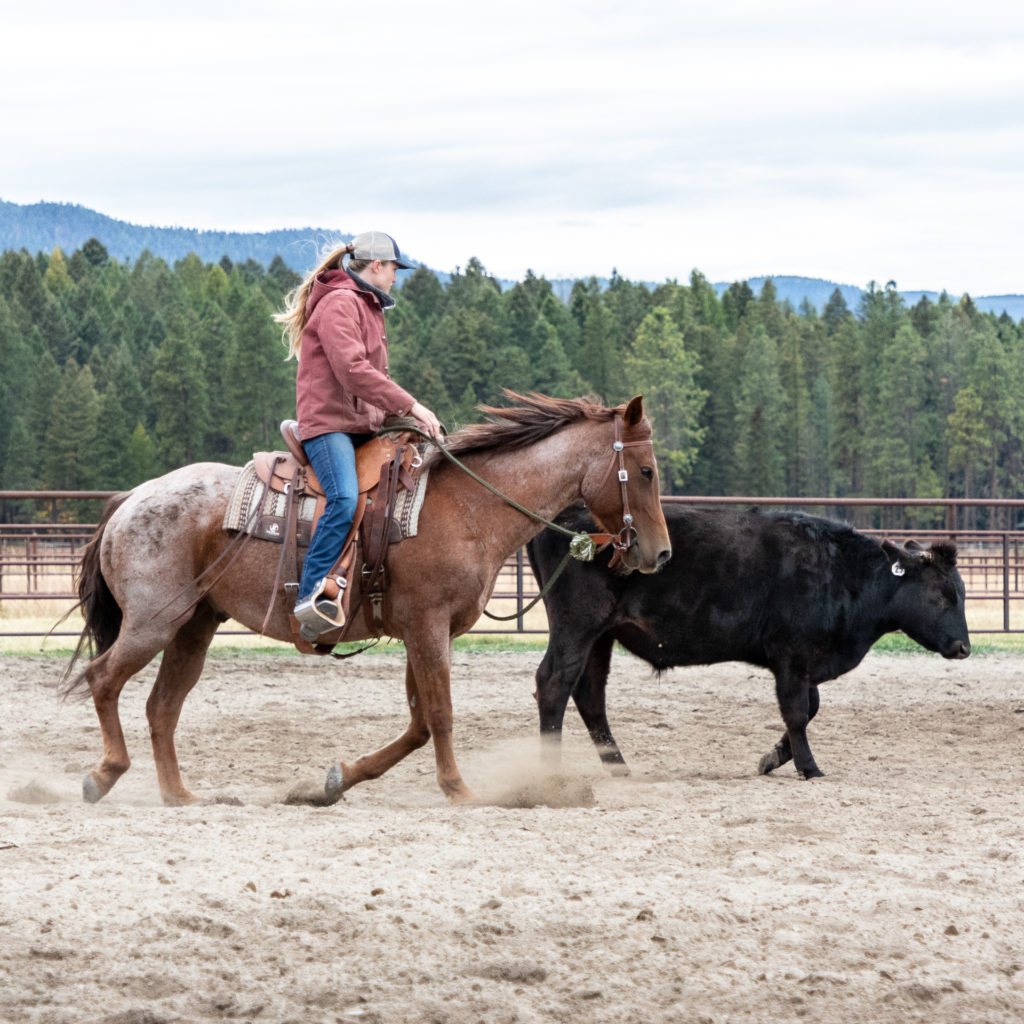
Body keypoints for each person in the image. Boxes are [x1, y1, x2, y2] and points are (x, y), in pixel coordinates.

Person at [275, 231, 442, 639]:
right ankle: (312, 596)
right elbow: (353, 371)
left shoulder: (364, 305)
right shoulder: (340, 303)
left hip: (359, 426)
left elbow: (371, 382)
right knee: (345, 497)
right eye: (394, 270)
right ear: (377, 266)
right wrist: (412, 406)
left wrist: (403, 421)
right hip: (329, 426)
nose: (396, 279)